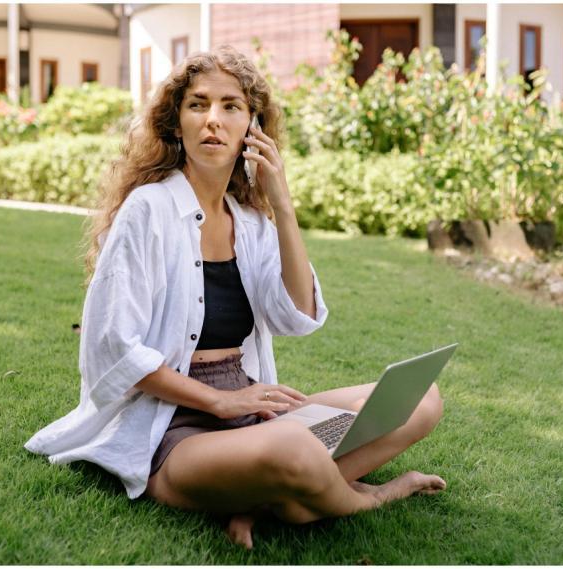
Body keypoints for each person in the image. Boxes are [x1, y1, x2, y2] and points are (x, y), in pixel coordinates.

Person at [24, 45, 446, 550]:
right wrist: (220, 402)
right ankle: (362, 497)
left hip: (249, 405)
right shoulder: (148, 210)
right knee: (297, 446)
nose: (213, 121)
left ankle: (258, 499)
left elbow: (298, 316)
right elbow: (113, 347)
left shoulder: (250, 222)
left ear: (253, 126)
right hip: (171, 426)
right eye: (198, 105)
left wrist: (282, 205)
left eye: (231, 106)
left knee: (421, 399)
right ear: (175, 123)